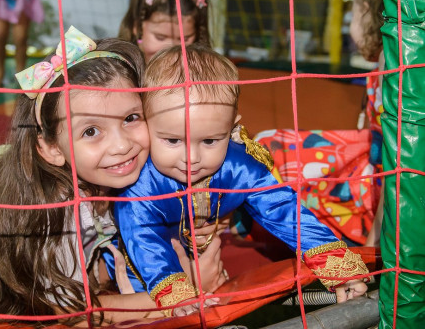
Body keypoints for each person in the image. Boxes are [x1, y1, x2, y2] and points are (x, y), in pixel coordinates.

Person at [0, 27, 222, 325]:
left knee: (13, 161)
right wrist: (183, 291)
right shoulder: (56, 214)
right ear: (52, 149)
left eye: (130, 117)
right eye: (91, 131)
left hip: (20, 176)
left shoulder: (124, 161)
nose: (122, 145)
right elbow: (70, 313)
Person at [112, 44, 371, 317]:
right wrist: (175, 293)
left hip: (203, 259)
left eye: (210, 140)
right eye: (172, 140)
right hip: (140, 274)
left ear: (231, 127)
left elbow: (284, 210)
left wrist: (337, 267)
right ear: (146, 124)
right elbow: (142, 236)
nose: (191, 158)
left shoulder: (240, 167)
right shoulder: (141, 182)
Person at [254, 0, 385, 248]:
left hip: (375, 187)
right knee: (267, 145)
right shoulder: (387, 62)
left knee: (269, 148)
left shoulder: (389, 64)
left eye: (354, 12)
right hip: (370, 166)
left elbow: (391, 166)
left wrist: (373, 245)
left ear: (367, 11)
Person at [118, 0, 211, 62]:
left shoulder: (207, 68)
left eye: (184, 39)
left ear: (199, 33)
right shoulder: (119, 68)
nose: (170, 50)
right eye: (160, 38)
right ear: (137, 28)